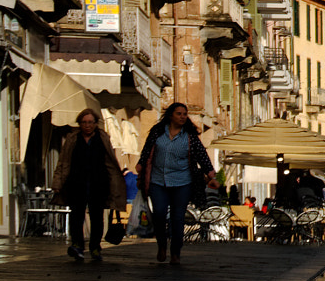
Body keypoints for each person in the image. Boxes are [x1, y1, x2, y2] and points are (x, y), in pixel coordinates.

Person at [136, 101, 217, 266]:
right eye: (179, 114)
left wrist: (211, 174)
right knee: (159, 213)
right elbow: (146, 150)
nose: (182, 117)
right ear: (171, 115)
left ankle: (175, 252)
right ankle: (161, 245)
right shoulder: (158, 133)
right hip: (158, 181)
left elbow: (202, 155)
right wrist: (141, 165)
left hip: (182, 182)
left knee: (178, 218)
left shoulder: (189, 136)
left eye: (184, 114)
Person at [52, 108, 127, 263]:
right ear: (80, 124)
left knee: (97, 216)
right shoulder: (73, 139)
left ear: (95, 123)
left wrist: (116, 185)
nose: (87, 125)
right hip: (76, 183)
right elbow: (63, 162)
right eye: (84, 122)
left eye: (90, 122)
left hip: (98, 183)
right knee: (76, 216)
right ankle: (77, 245)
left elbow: (110, 163)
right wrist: (58, 182)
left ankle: (95, 247)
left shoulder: (102, 138)